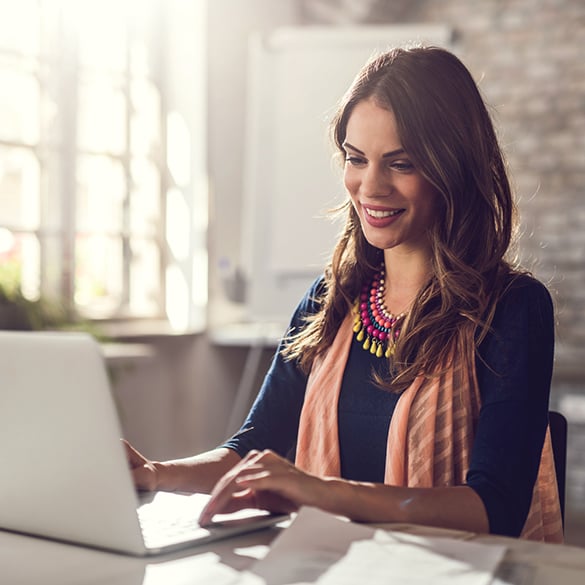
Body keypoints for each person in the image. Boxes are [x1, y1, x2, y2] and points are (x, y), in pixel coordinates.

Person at [125, 45, 563, 542]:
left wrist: (322, 491)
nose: (370, 187)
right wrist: (156, 474)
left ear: (452, 168)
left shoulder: (513, 307)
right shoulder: (331, 299)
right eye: (356, 159)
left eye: (400, 164)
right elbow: (253, 449)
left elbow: (495, 509)